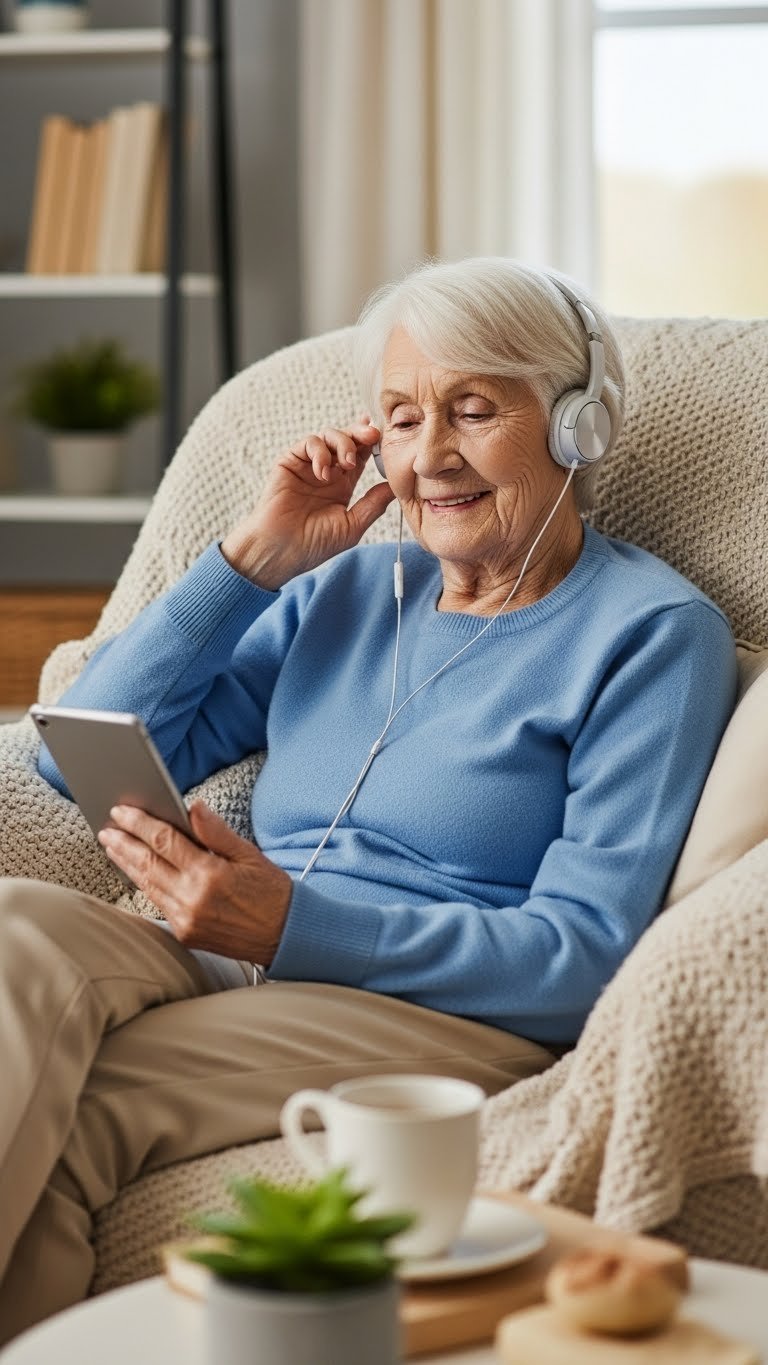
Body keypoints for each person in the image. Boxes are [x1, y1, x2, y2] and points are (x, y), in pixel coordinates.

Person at [0, 258, 736, 1341]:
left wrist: (296, 923)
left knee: (87, 1106)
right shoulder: (344, 589)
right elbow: (75, 754)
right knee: (15, 923)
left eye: (472, 410)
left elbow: (580, 956)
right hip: (225, 944)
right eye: (400, 418)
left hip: (445, 1009)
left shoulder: (652, 635)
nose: (429, 453)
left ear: (577, 426)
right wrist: (251, 561)